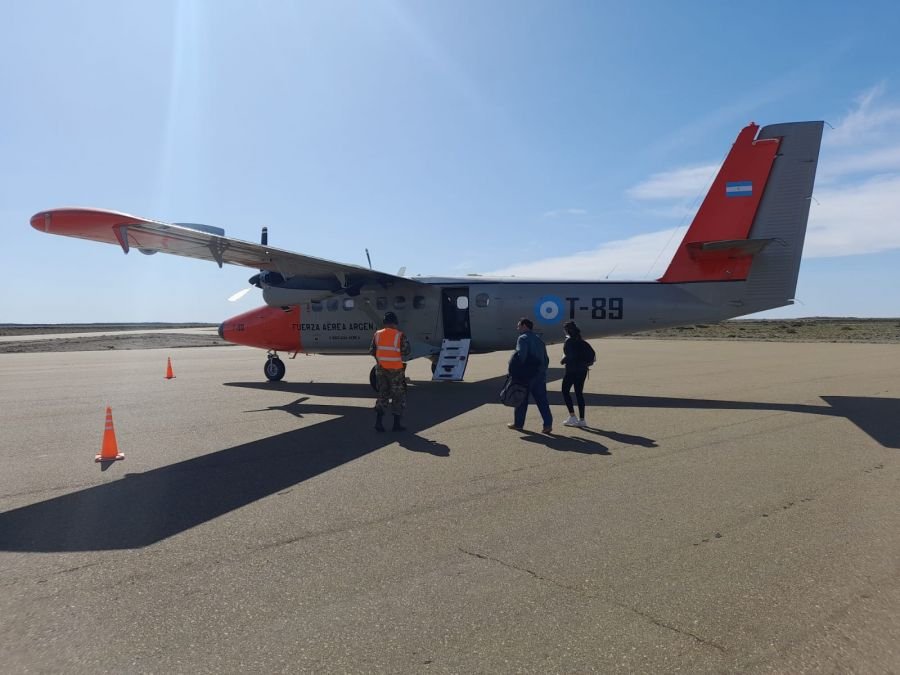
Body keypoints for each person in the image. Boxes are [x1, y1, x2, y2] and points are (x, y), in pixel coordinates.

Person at [507, 317, 553, 433]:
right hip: (540, 375)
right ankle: (547, 425)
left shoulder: (522, 339)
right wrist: (541, 371)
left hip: (526, 376)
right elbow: (546, 359)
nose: (517, 328)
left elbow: (521, 357)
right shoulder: (539, 340)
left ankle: (519, 424)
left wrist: (515, 371)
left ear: (524, 326)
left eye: (519, 326)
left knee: (521, 400)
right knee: (542, 401)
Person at [369, 311, 412, 432]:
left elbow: (372, 350)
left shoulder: (377, 334)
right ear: (395, 323)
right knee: (398, 396)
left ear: (384, 323)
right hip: (395, 370)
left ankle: (378, 423)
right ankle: (396, 424)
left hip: (381, 369)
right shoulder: (399, 335)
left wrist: (381, 360)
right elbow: (406, 351)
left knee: (383, 394)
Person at [560, 320, 595, 428]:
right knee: (579, 393)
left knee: (565, 391)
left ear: (567, 330)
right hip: (583, 370)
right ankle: (582, 419)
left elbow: (570, 355)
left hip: (572, 370)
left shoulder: (569, 341)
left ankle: (572, 416)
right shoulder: (581, 340)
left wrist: (563, 360)